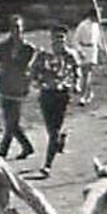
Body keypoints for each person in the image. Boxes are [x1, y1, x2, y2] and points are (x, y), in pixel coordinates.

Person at [0, 14, 38, 161]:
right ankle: (27, 147)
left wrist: (31, 80)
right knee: (11, 121)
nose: (16, 31)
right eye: (13, 28)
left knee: (11, 121)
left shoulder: (29, 49)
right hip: (5, 86)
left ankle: (2, 152)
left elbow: (34, 68)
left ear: (23, 29)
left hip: (19, 88)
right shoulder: (3, 47)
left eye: (18, 28)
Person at [30, 25, 81, 176]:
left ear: (66, 39)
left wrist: (76, 85)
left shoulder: (70, 55)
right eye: (56, 38)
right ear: (51, 39)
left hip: (62, 95)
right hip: (46, 94)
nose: (59, 42)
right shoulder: (43, 55)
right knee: (50, 128)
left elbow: (77, 71)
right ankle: (59, 139)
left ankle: (47, 165)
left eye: (62, 38)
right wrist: (37, 82)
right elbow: (33, 72)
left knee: (53, 131)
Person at [71, 8, 107, 106]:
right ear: (92, 15)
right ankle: (88, 93)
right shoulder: (83, 25)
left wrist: (105, 50)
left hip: (93, 50)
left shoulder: (96, 26)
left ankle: (84, 96)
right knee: (85, 74)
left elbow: (99, 40)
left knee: (87, 74)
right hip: (84, 50)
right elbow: (75, 40)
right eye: (97, 15)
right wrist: (79, 51)